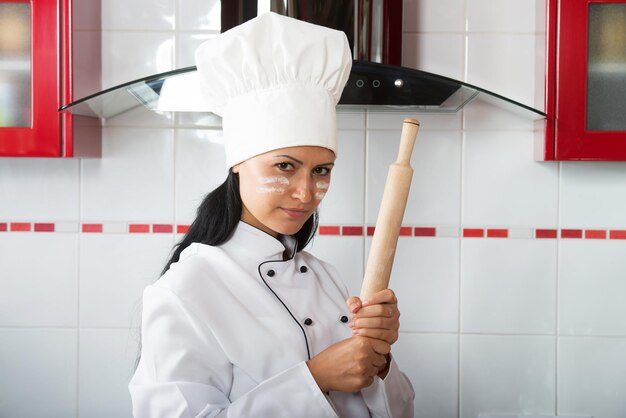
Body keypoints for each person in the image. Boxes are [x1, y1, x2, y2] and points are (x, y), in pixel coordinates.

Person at [129, 12, 414, 418]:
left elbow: (403, 411)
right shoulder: (186, 290)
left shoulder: (324, 277)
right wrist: (314, 379)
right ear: (238, 165)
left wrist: (379, 361)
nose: (306, 192)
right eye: (285, 166)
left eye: (321, 170)